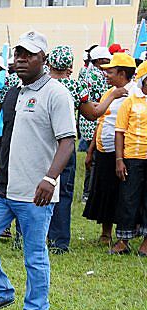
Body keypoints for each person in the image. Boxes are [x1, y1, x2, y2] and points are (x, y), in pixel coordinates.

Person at [0, 31, 75, 310]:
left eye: (29, 55)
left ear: (44, 59)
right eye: (18, 54)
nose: (22, 60)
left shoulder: (57, 93)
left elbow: (67, 142)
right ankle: (1, 292)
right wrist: (0, 169)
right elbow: (9, 136)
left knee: (34, 253)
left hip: (36, 190)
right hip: (3, 187)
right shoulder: (14, 92)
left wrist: (50, 179)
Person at [46, 45, 127, 254]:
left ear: (48, 63)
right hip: (64, 144)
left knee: (33, 189)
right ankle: (59, 242)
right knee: (63, 193)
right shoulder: (74, 86)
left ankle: (29, 236)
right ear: (70, 65)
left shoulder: (39, 84)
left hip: (39, 144)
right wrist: (113, 96)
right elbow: (93, 113)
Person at [83, 52, 136, 246]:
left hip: (122, 153)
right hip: (103, 150)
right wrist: (91, 150)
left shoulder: (134, 94)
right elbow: (101, 120)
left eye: (110, 72)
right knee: (104, 191)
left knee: (122, 194)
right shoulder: (110, 92)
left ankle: (124, 235)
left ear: (122, 73)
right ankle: (105, 233)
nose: (106, 75)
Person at [110, 61, 147, 256]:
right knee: (128, 197)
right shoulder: (131, 101)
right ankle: (124, 240)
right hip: (133, 156)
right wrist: (119, 159)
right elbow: (119, 132)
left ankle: (146, 243)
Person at [78, 45, 113, 200]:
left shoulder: (84, 71)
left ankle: (88, 192)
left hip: (85, 119)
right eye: (106, 60)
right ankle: (89, 192)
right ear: (99, 60)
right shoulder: (98, 76)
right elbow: (103, 98)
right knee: (94, 157)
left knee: (91, 155)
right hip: (96, 117)